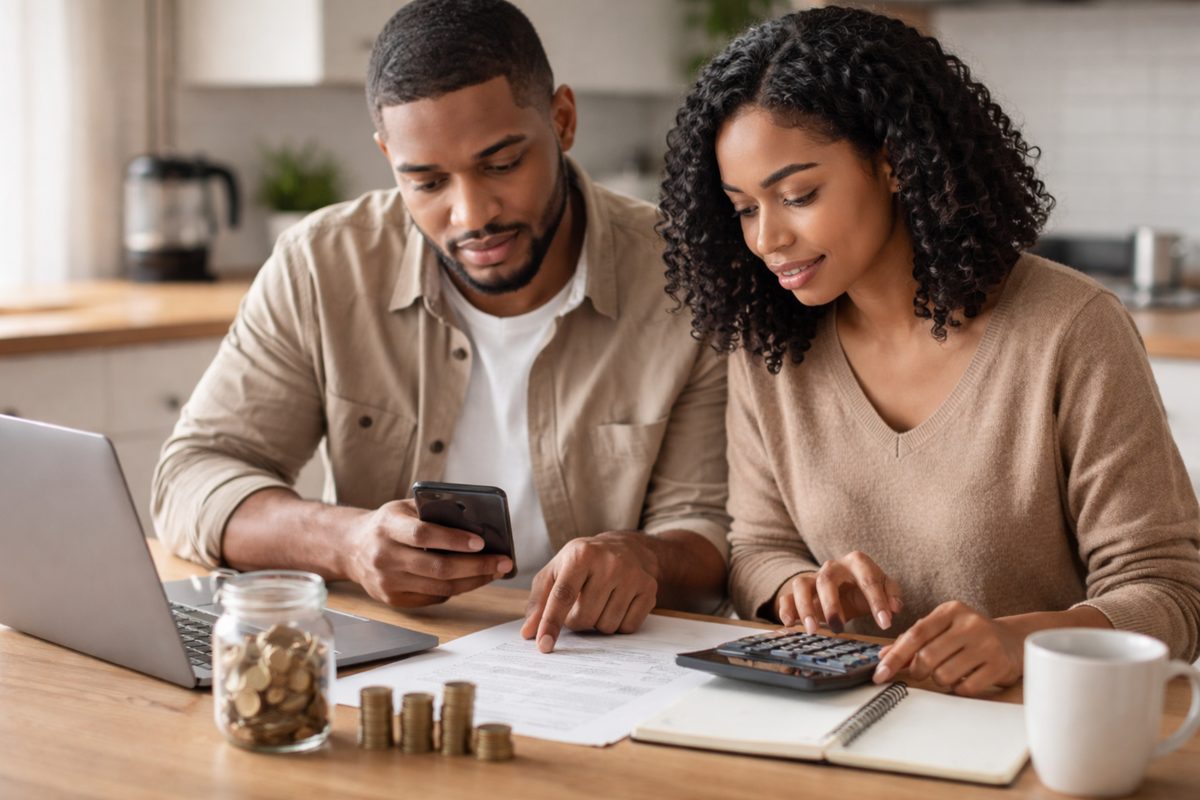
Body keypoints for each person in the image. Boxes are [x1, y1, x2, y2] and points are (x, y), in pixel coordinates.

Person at [153, 0, 730, 653]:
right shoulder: (323, 265)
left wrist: (643, 559)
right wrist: (345, 543)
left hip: (600, 660)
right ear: (387, 155)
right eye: (426, 181)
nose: (472, 214)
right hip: (396, 663)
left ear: (562, 120)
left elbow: (709, 531)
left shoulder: (682, 277)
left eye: (502, 163)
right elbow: (192, 478)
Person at [658, 6, 1200, 696]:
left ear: (892, 163)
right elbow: (758, 550)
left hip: (1030, 728)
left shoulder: (1070, 329)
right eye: (743, 208)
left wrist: (1021, 642)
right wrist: (802, 590)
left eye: (798, 195)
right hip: (840, 721)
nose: (767, 239)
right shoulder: (770, 346)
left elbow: (1169, 592)